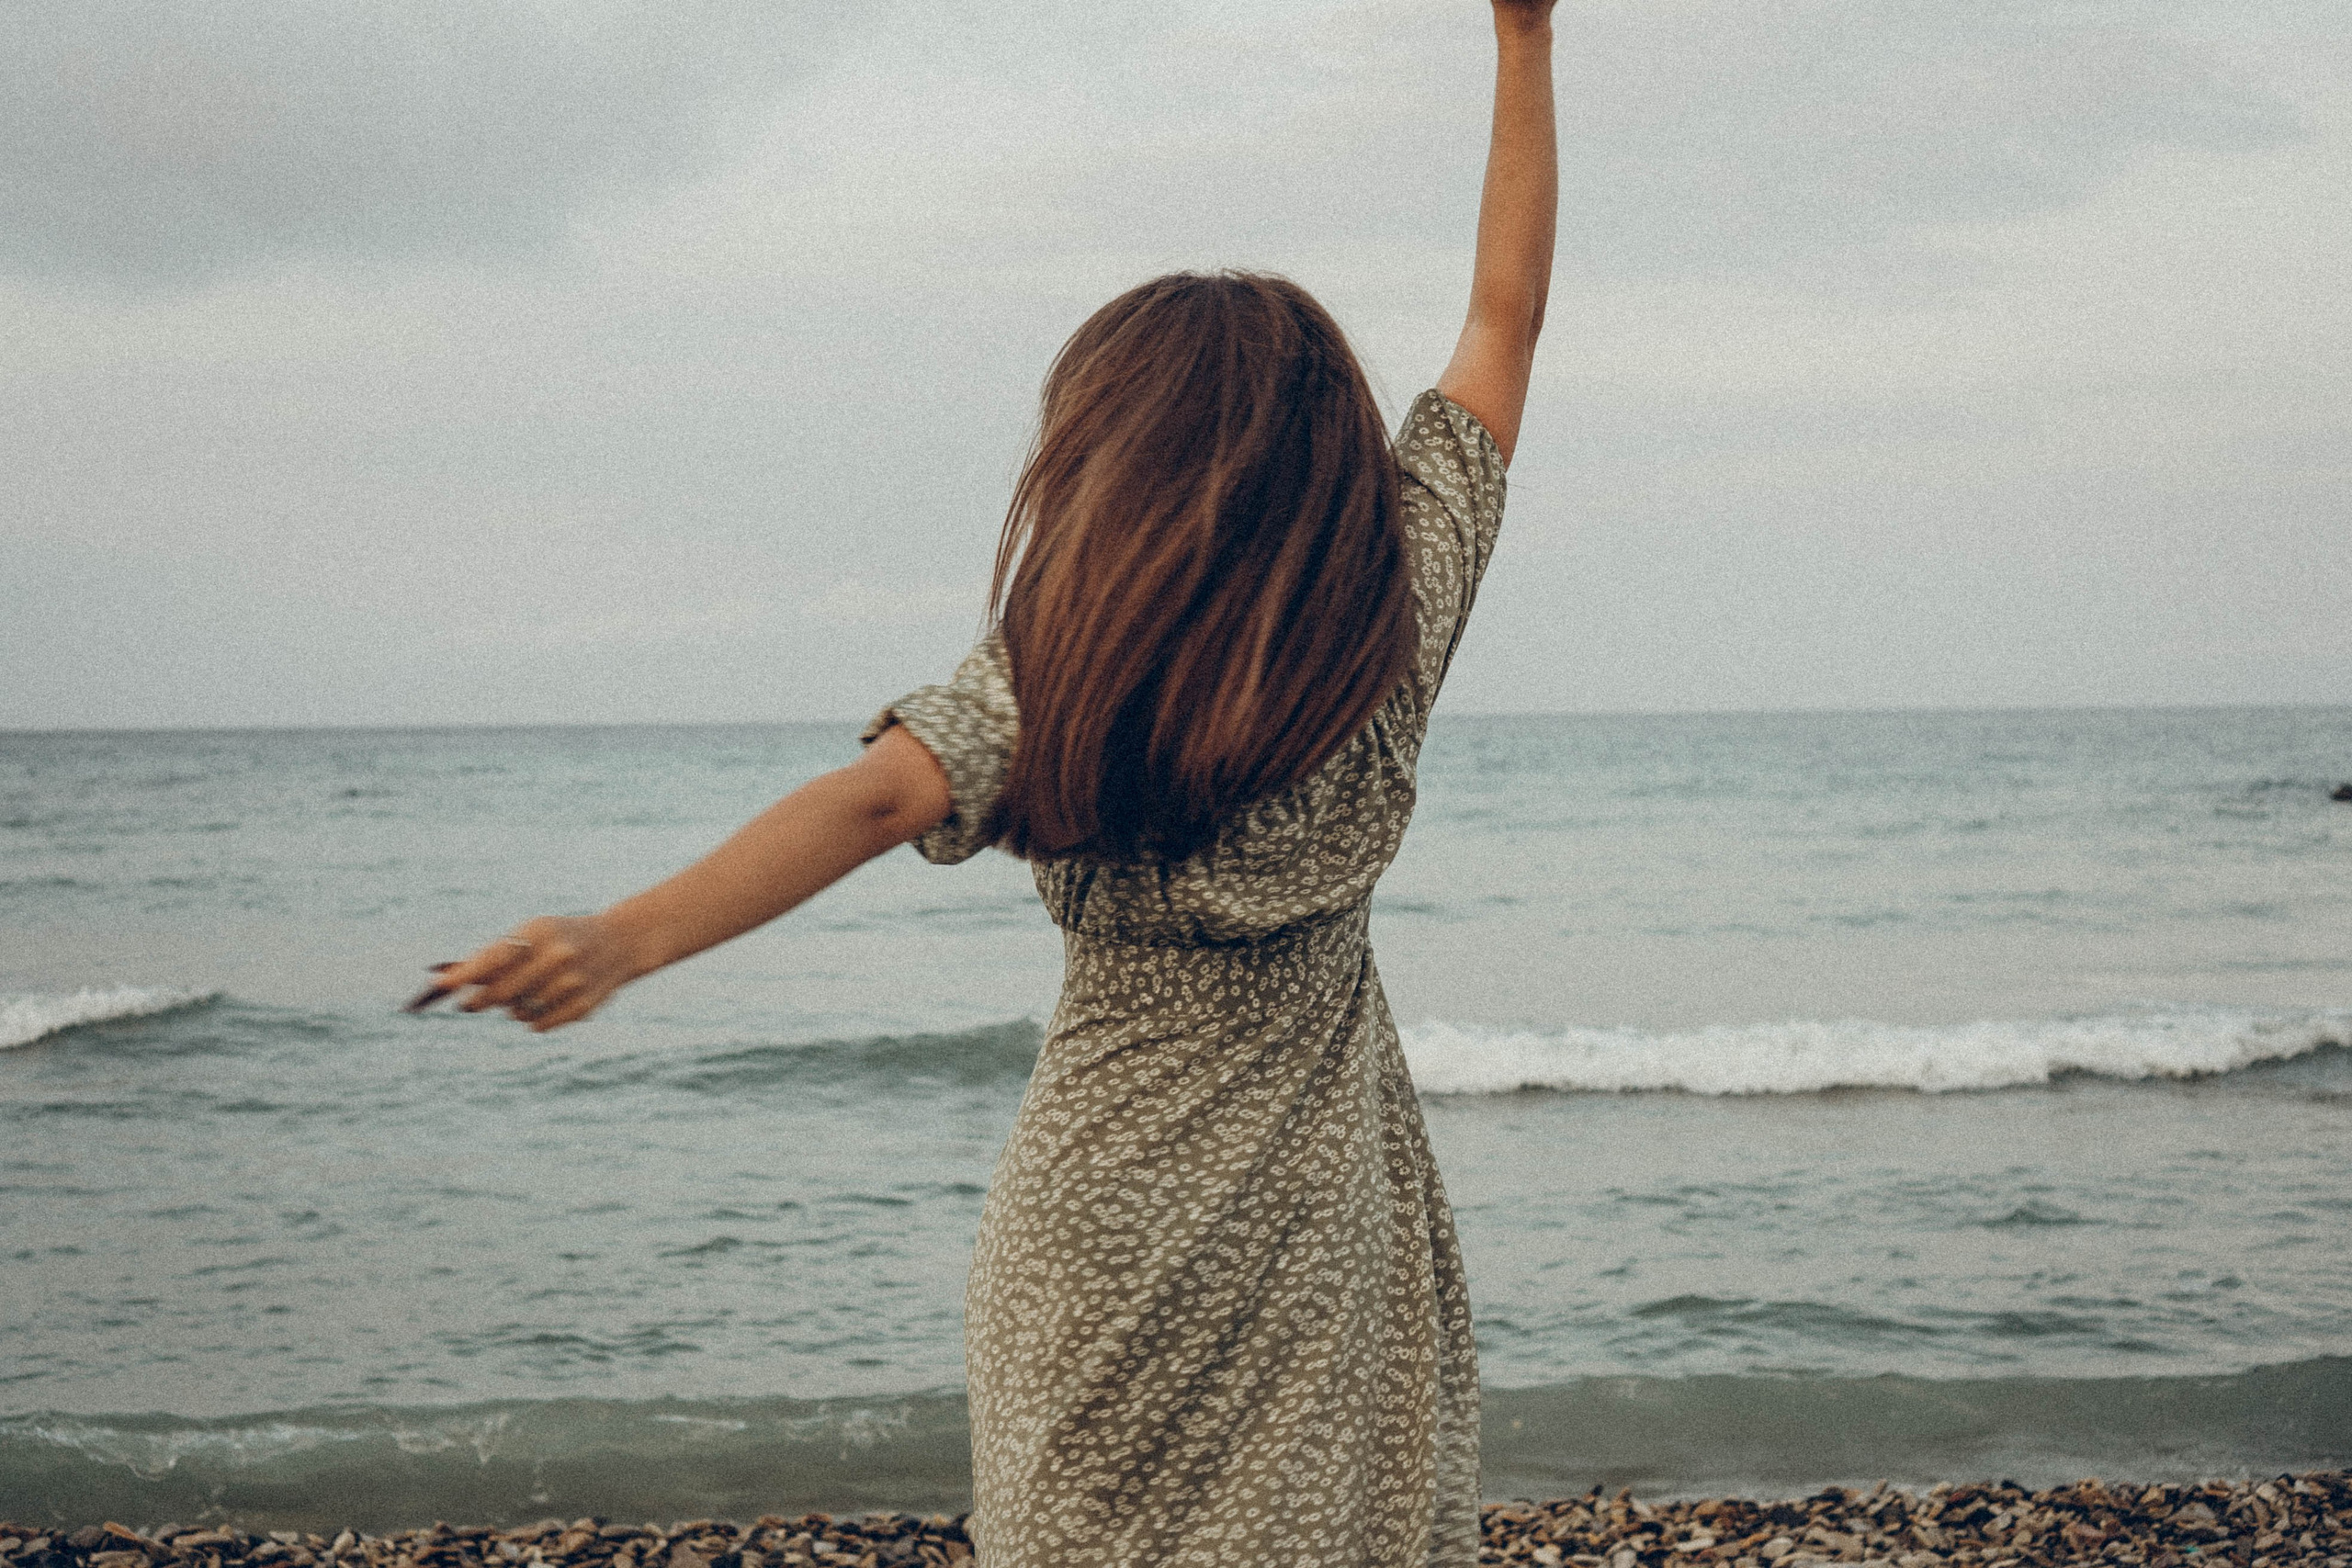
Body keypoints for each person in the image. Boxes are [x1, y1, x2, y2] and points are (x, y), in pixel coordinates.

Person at [420, 5, 1557, 1562]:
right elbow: (1501, 321)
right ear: (1329, 457)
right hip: (1309, 1239)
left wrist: (625, 939)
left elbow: (868, 803)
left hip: (1092, 1233)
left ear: (1109, 468)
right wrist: (1522, 39)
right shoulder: (1389, 626)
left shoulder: (1057, 673)